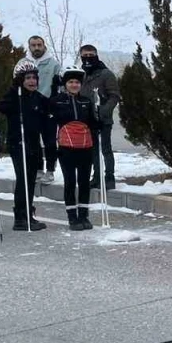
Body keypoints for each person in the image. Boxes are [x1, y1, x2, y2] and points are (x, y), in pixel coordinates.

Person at [49, 65, 103, 230]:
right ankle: (72, 217)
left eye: (77, 82)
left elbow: (92, 122)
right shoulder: (56, 101)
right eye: (71, 82)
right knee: (70, 182)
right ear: (65, 84)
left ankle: (84, 215)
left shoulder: (86, 100)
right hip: (66, 148)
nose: (74, 85)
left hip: (86, 146)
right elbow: (51, 125)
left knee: (84, 182)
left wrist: (99, 123)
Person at [0, 60, 50, 231]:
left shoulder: (38, 98)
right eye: (28, 78)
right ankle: (20, 216)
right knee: (23, 179)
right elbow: (2, 106)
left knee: (30, 180)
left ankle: (28, 213)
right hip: (18, 143)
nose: (32, 81)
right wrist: (15, 94)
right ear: (20, 80)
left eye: (34, 77)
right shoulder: (15, 96)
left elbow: (51, 108)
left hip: (34, 144)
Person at [80, 44, 121, 192]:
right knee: (93, 150)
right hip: (86, 120)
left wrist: (103, 111)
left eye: (91, 55)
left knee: (105, 149)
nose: (88, 58)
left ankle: (109, 178)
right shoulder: (81, 75)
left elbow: (114, 95)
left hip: (103, 119)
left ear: (96, 55)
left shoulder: (106, 74)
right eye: (85, 55)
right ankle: (96, 177)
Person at [27, 36, 62, 184]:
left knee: (49, 141)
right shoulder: (25, 64)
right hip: (30, 107)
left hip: (48, 107)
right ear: (29, 47)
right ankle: (38, 168)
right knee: (33, 141)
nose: (36, 48)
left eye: (39, 45)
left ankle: (50, 170)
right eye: (33, 45)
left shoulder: (53, 64)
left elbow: (59, 85)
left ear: (44, 46)